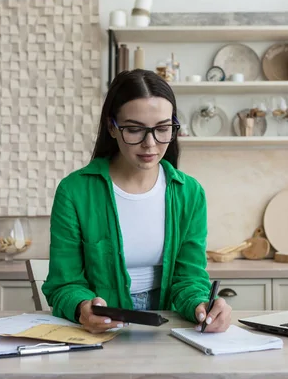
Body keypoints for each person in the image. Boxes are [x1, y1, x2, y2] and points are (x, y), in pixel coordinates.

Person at [42, 69, 232, 334]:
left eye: (162, 129)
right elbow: (63, 285)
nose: (150, 144)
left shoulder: (190, 193)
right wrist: (82, 307)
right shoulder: (75, 192)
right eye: (134, 130)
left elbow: (188, 279)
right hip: (100, 333)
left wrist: (202, 305)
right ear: (112, 127)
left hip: (167, 331)